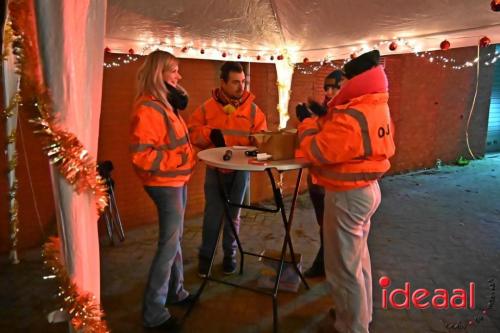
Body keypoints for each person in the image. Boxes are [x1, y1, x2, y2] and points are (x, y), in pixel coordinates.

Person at [296, 50, 395, 333]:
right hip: (368, 189)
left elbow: (317, 151)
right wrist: (324, 116)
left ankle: (351, 326)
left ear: (355, 79)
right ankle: (361, 316)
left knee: (343, 269)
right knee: (359, 261)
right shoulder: (378, 105)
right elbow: (350, 142)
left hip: (347, 195)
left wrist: (305, 123)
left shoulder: (353, 112)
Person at [130, 50, 196, 330]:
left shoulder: (165, 104)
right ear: (160, 74)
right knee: (168, 246)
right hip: (165, 184)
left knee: (175, 240)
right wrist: (180, 159)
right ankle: (153, 313)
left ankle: (175, 291)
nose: (179, 76)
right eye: (174, 71)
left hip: (176, 181)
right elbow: (142, 156)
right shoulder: (148, 108)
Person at [188, 61, 267, 277]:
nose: (241, 87)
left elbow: (263, 136)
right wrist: (208, 134)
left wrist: (259, 140)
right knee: (213, 214)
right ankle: (206, 258)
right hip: (215, 170)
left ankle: (230, 256)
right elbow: (193, 132)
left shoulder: (253, 110)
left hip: (241, 171)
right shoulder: (206, 107)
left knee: (233, 215)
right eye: (235, 82)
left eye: (243, 82)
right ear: (222, 82)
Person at [295, 70, 345, 278]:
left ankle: (331, 268)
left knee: (334, 232)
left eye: (335, 86)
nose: (329, 91)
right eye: (326, 87)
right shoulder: (329, 110)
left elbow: (322, 144)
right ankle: (324, 262)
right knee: (324, 226)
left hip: (332, 184)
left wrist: (306, 121)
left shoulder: (344, 112)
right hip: (317, 180)